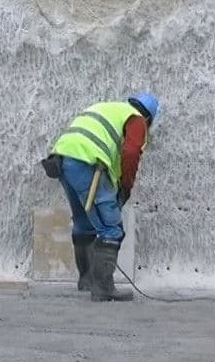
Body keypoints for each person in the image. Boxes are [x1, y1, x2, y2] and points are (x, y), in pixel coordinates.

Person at [41, 92, 158, 302]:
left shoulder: (106, 108)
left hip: (62, 160)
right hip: (87, 163)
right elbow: (131, 153)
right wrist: (125, 187)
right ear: (148, 117)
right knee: (111, 229)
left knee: (83, 223)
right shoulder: (136, 119)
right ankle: (103, 288)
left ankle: (86, 281)